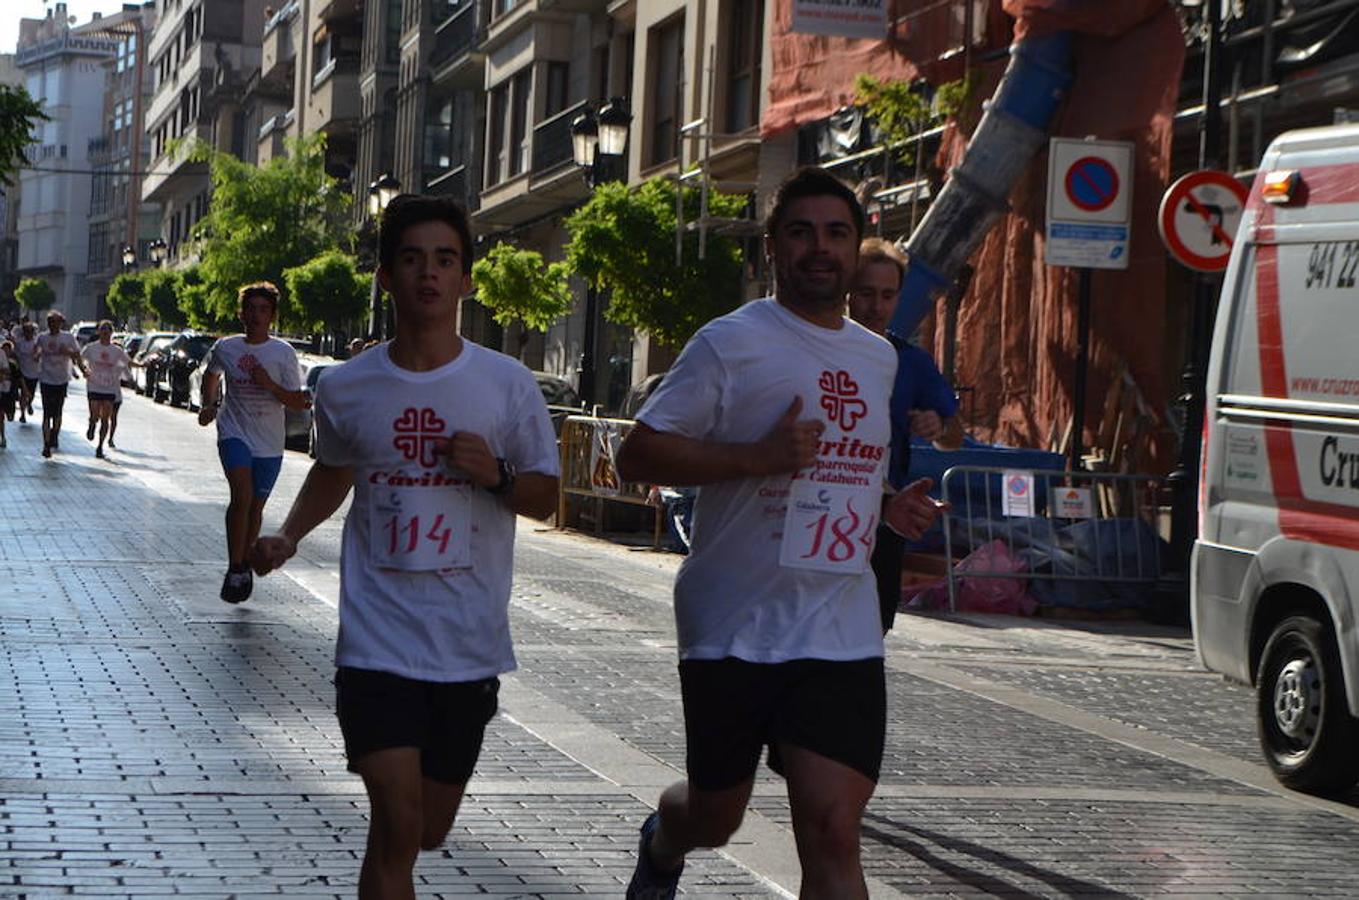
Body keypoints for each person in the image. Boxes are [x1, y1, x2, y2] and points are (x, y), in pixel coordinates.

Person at [615, 167, 945, 900]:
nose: (819, 248)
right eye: (800, 232)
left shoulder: (879, 357)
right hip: (733, 621)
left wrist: (886, 509)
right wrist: (753, 458)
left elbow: (846, 469)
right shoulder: (729, 343)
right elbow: (634, 454)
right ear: (772, 248)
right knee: (714, 815)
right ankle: (664, 841)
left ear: (856, 248)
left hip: (839, 626)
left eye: (835, 233)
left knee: (833, 832)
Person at [250, 195, 560, 898]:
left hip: (467, 642)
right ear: (386, 276)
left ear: (465, 279)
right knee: (396, 817)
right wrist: (288, 534)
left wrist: (497, 475)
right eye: (413, 259)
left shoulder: (505, 384)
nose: (430, 274)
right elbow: (335, 468)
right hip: (376, 639)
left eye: (445, 260)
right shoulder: (349, 387)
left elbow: (543, 495)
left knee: (427, 829)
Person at [847, 237, 964, 633]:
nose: (875, 307)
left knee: (867, 639)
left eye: (887, 295)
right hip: (817, 515)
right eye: (865, 293)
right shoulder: (814, 350)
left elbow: (953, 437)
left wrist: (939, 425)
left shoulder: (909, 362)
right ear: (846, 292)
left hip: (883, 523)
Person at [197, 283, 308, 603]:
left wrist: (269, 384)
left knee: (255, 507)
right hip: (234, 431)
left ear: (272, 316)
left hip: (270, 442)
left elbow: (300, 402)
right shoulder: (227, 347)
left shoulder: (282, 353)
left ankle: (244, 563)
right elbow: (211, 375)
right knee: (241, 495)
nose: (256, 315)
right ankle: (234, 567)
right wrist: (209, 404)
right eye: (251, 309)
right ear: (240, 313)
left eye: (263, 310)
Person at [34, 311, 87, 458]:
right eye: (50, 322)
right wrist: (37, 354)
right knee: (46, 413)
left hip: (61, 379)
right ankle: (46, 444)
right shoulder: (42, 337)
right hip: (46, 379)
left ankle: (54, 434)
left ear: (61, 323)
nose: (53, 325)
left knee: (57, 411)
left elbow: (77, 354)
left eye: (56, 322)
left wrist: (68, 352)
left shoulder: (68, 337)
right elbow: (36, 351)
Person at [80, 321, 132, 459]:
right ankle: (92, 424)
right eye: (102, 330)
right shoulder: (91, 348)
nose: (105, 333)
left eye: (107, 330)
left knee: (105, 419)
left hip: (110, 388)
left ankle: (100, 446)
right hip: (94, 385)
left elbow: (128, 362)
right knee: (95, 414)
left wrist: (143, 364)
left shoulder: (117, 351)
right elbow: (80, 359)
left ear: (111, 333)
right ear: (99, 332)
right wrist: (84, 369)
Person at [13, 319, 39, 423]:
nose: (29, 333)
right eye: (27, 331)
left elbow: (40, 353)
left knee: (30, 394)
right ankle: (22, 414)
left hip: (34, 373)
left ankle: (29, 403)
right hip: (22, 372)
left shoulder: (36, 343)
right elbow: (15, 355)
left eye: (30, 331)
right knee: (24, 393)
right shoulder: (19, 343)